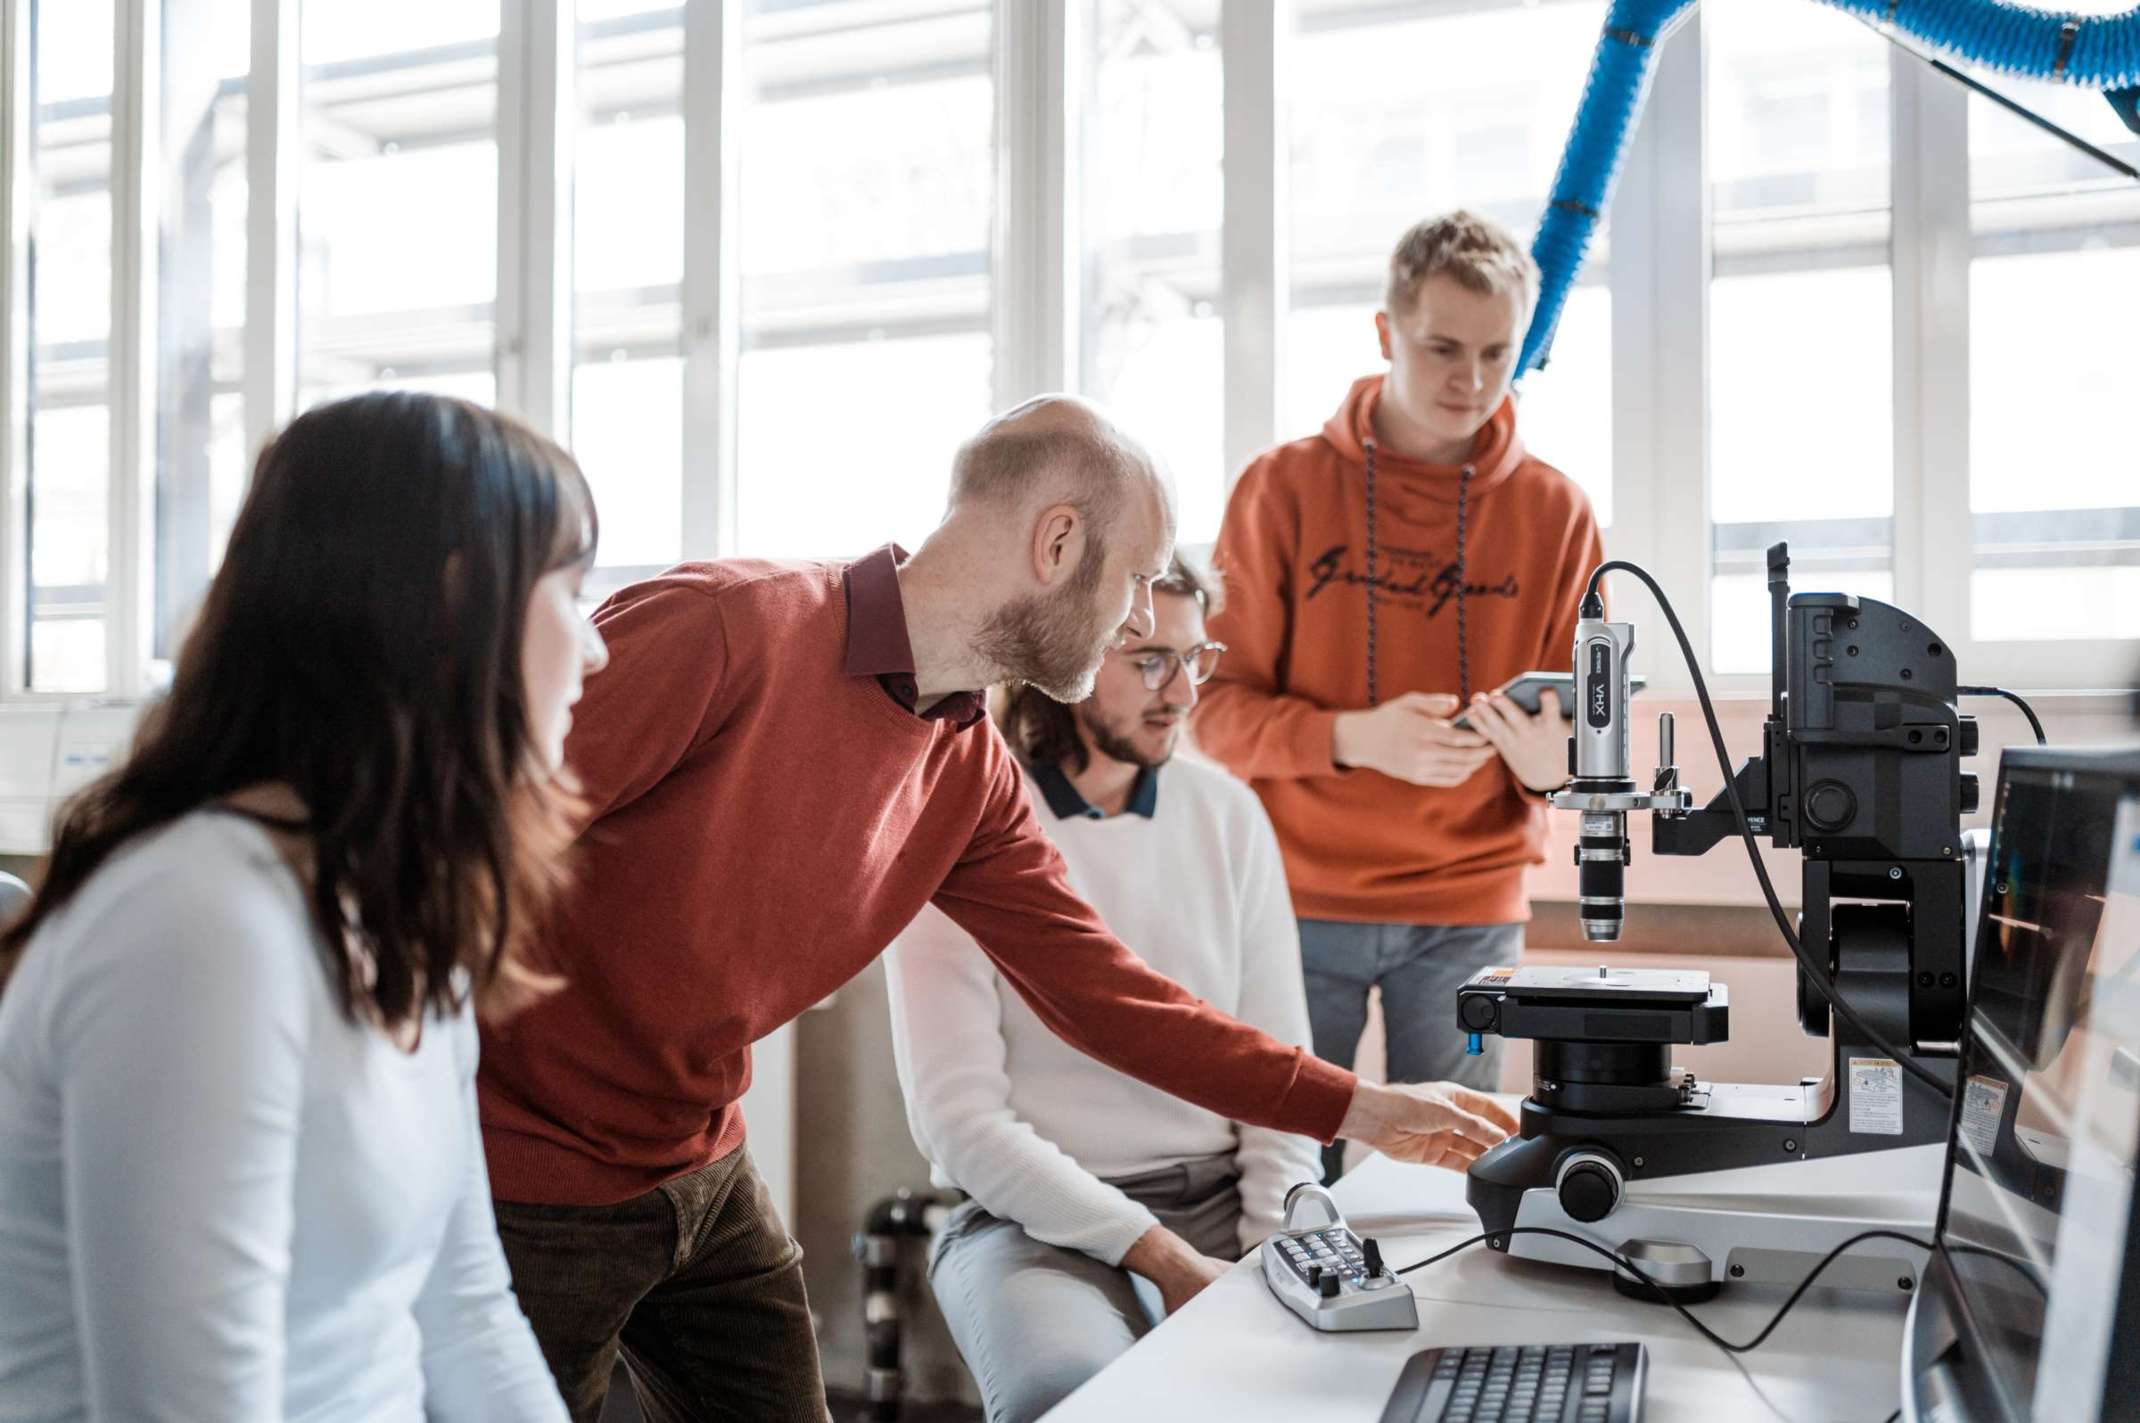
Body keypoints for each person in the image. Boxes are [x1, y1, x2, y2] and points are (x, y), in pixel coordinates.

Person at [474, 395, 1518, 1423]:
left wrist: (1362, 1108)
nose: (1138, 613)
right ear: (1059, 541)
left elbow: (1109, 999)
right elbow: (460, 840)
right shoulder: (728, 626)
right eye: (1139, 579)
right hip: (533, 1172)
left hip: (700, 1161)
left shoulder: (965, 769)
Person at [0, 393, 601, 1420]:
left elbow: (463, 1311)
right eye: (573, 590)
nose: (595, 649)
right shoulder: (201, 923)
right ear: (454, 606)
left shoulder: (397, 900)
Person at [1193, 211, 1605, 1181]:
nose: (1470, 379)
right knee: (1287, 1175)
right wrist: (1352, 738)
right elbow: (1210, 711)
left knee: (1464, 1174)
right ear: (1386, 335)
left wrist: (1556, 770)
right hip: (1295, 900)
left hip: (1470, 911)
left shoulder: (1557, 511)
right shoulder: (1280, 487)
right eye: (1442, 348)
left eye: (1497, 352)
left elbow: (1583, 739)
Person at [885, 556, 1322, 1423]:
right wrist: (1161, 1258)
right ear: (1068, 659)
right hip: (1030, 1221)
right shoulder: (958, 824)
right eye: (1151, 660)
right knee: (1071, 1397)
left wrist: (1276, 1243)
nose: (1185, 693)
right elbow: (962, 1126)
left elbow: (1279, 1067)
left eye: (1197, 658)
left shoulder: (1228, 814)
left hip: (1225, 1200)